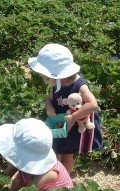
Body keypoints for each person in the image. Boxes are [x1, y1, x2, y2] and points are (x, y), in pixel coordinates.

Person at [28, 43, 103, 174]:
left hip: (77, 120)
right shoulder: (56, 84)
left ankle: (65, 178)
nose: (45, 80)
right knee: (56, 147)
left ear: (59, 76)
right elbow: (48, 99)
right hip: (60, 122)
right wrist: (49, 107)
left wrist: (74, 117)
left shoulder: (79, 85)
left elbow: (92, 104)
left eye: (47, 77)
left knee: (68, 152)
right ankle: (54, 170)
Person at [0, 118, 73, 191]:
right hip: (31, 182)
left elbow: (31, 189)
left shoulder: (50, 173)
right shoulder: (21, 159)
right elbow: (5, 175)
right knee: (16, 183)